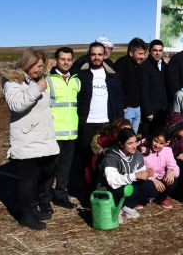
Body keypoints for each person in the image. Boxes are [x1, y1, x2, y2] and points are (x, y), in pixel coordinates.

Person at [1, 48, 60, 230]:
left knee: (47, 170)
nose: (39, 69)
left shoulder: (34, 79)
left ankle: (35, 205)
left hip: (44, 137)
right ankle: (26, 214)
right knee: (28, 178)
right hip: (26, 138)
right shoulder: (12, 81)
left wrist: (47, 69)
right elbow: (16, 105)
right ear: (27, 63)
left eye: (41, 66)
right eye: (36, 65)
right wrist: (37, 88)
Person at [76, 41, 124, 188]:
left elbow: (118, 99)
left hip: (107, 123)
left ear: (105, 55)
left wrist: (119, 122)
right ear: (88, 55)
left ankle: (103, 188)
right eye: (93, 54)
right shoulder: (80, 75)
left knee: (105, 158)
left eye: (99, 54)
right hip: (87, 123)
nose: (96, 57)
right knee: (86, 158)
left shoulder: (112, 75)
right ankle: (87, 190)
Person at [44, 47, 81, 209]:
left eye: (69, 59)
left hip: (71, 133)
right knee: (49, 169)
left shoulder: (76, 80)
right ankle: (44, 198)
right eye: (62, 59)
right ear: (56, 60)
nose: (66, 62)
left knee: (65, 169)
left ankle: (60, 195)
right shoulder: (48, 80)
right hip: (54, 133)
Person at [96, 128, 155, 222]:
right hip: (109, 189)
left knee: (149, 186)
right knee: (131, 189)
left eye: (135, 142)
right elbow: (112, 182)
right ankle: (115, 208)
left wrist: (146, 173)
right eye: (130, 143)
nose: (134, 146)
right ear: (121, 143)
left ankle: (127, 206)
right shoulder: (110, 157)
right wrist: (135, 176)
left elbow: (140, 170)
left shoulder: (137, 154)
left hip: (127, 186)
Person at [138, 129, 180, 209]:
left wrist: (171, 171)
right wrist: (152, 179)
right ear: (152, 138)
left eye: (161, 143)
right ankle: (142, 200)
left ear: (166, 143)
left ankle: (160, 198)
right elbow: (139, 169)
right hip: (147, 177)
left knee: (173, 179)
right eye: (156, 141)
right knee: (148, 185)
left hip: (160, 177)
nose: (157, 145)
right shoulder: (143, 150)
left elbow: (173, 165)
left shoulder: (167, 150)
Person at [114, 37, 147, 134]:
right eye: (140, 54)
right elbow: (117, 86)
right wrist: (123, 105)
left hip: (137, 107)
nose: (143, 56)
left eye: (144, 53)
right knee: (124, 136)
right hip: (126, 109)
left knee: (133, 135)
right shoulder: (121, 64)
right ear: (131, 53)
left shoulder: (139, 65)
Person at [139, 39, 168, 138]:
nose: (157, 53)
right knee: (149, 138)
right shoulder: (145, 66)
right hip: (151, 112)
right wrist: (148, 111)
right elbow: (144, 90)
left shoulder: (164, 66)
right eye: (155, 50)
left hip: (163, 110)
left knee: (160, 138)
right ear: (150, 51)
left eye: (160, 50)